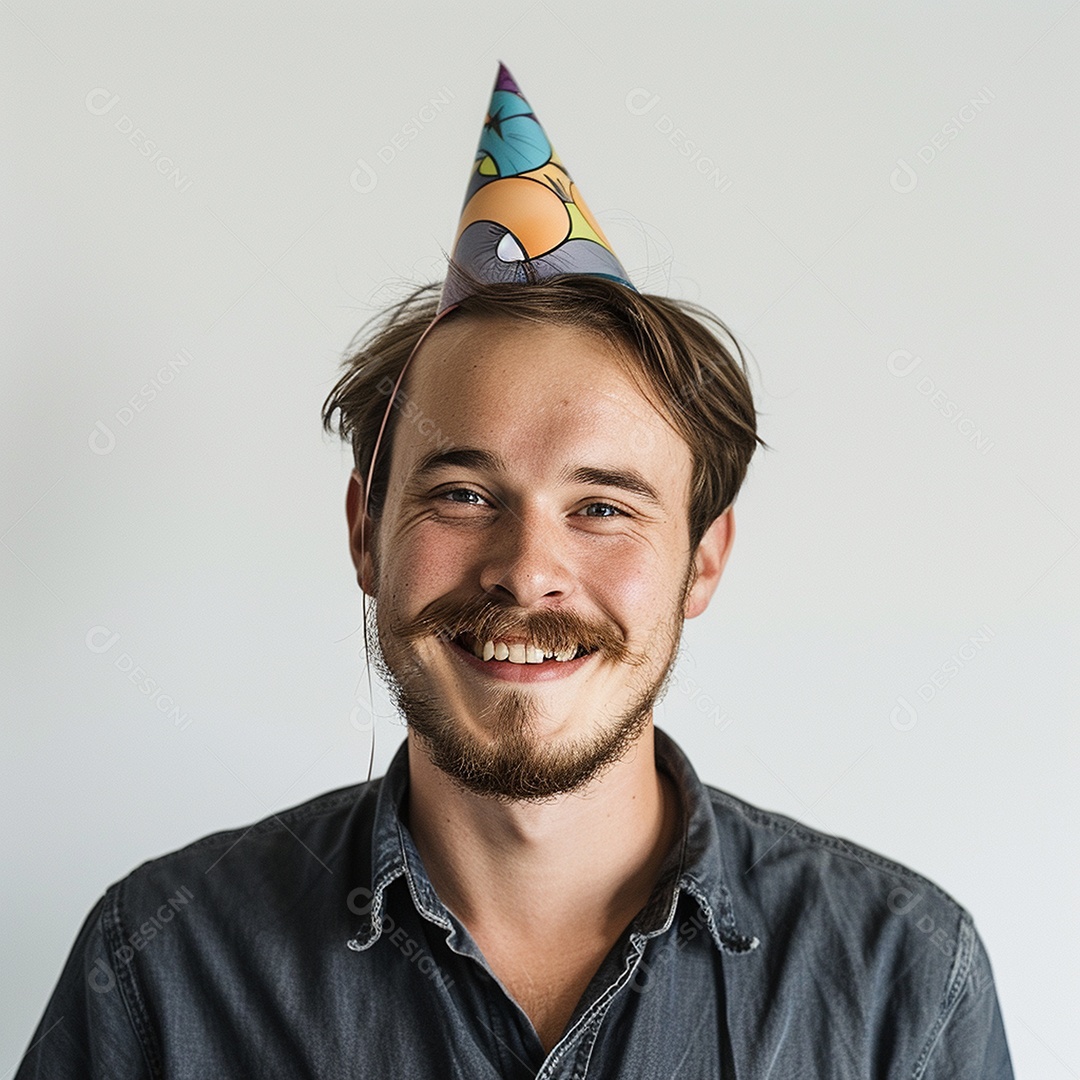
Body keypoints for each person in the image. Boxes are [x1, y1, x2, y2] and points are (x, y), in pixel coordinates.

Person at [16, 64, 1013, 1078]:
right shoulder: (161, 968)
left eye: (603, 509)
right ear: (366, 532)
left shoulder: (906, 985)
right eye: (462, 494)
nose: (528, 571)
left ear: (702, 561)